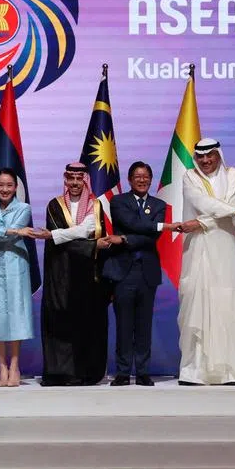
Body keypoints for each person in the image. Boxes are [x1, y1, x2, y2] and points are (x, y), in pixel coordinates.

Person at [177, 138, 235, 385]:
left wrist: (203, 222)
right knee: (197, 301)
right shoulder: (189, 178)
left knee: (231, 306)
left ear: (218, 155)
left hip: (229, 250)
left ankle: (233, 372)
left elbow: (227, 205)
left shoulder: (233, 174)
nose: (205, 161)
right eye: (201, 157)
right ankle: (195, 371)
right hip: (199, 250)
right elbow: (203, 203)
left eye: (210, 156)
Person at [102, 161, 180, 386]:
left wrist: (124, 238)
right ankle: (124, 372)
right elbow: (130, 222)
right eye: (137, 176)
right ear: (129, 180)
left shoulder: (159, 204)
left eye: (146, 176)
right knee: (124, 324)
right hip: (122, 272)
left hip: (147, 271)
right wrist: (161, 226)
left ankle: (143, 371)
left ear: (151, 179)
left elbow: (149, 236)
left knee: (144, 324)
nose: (142, 180)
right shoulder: (118, 201)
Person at [38, 162, 110, 386]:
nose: (76, 184)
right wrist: (90, 244)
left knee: (87, 324)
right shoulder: (55, 205)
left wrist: (56, 235)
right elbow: (74, 240)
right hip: (61, 274)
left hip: (89, 276)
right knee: (60, 323)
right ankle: (61, 374)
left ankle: (87, 373)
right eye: (71, 179)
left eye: (80, 179)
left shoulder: (97, 206)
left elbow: (89, 231)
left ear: (86, 180)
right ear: (66, 180)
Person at [0, 168, 35, 387]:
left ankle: (15, 366)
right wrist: (13, 232)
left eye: (9, 185)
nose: (4, 189)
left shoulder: (24, 208)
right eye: (0, 185)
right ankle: (1, 367)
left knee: (16, 314)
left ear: (16, 187)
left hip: (16, 265)